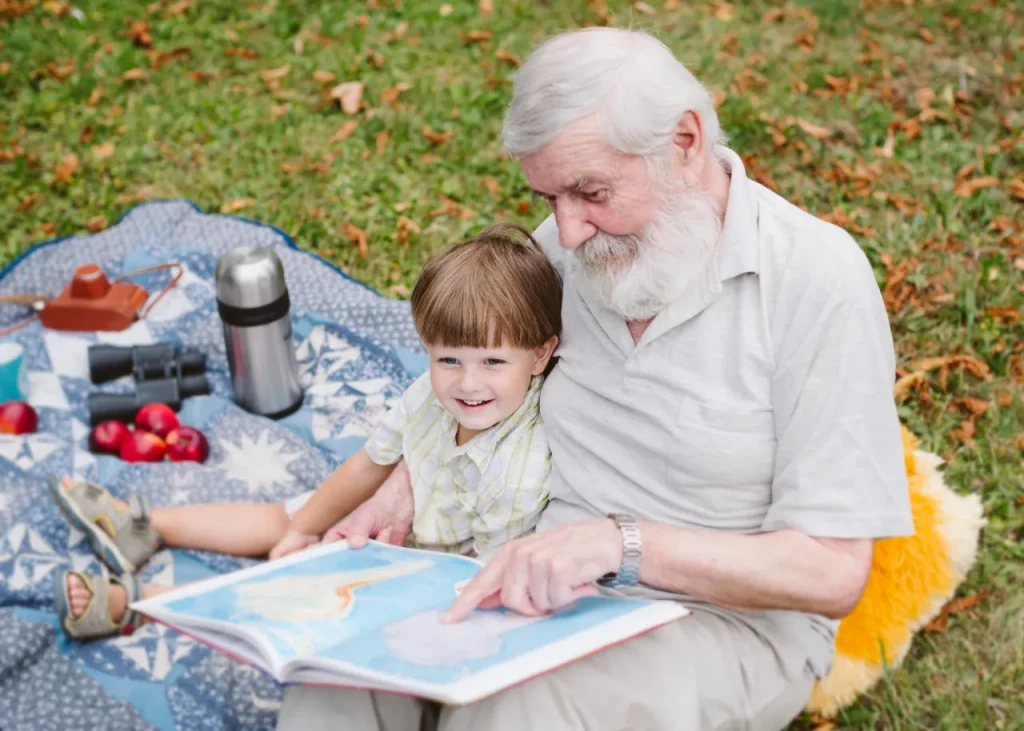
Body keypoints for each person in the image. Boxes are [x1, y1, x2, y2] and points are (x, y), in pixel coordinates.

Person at [276, 27, 913, 731]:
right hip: (520, 565)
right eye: (548, 197)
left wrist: (620, 543)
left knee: (519, 708)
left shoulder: (815, 281)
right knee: (334, 671)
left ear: (685, 142)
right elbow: (496, 382)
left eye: (591, 192)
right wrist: (410, 479)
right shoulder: (569, 247)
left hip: (715, 622)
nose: (568, 233)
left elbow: (830, 573)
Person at [51, 223, 562, 640]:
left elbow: (480, 582)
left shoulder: (517, 473)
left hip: (421, 575)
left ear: (540, 354)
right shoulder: (428, 396)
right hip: (393, 523)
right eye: (449, 358)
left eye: (493, 361)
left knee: (287, 598)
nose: (468, 383)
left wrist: (341, 563)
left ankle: (138, 605)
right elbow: (368, 464)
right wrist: (304, 526)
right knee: (290, 513)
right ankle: (142, 525)